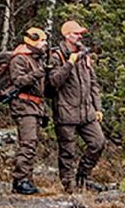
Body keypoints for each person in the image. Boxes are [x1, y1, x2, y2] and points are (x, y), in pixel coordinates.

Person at [46, 19, 106, 195]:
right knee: (67, 152)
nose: (80, 37)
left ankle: (83, 178)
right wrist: (70, 63)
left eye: (81, 34)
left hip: (86, 112)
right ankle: (68, 185)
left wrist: (98, 108)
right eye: (76, 33)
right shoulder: (57, 56)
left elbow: (93, 84)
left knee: (98, 142)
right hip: (66, 112)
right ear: (66, 35)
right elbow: (53, 82)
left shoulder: (84, 55)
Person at [7, 27, 50, 195]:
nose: (45, 44)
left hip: (34, 107)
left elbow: (39, 91)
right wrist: (39, 73)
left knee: (31, 144)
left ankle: (27, 179)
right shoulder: (19, 59)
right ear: (32, 40)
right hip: (24, 106)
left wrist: (43, 111)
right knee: (28, 143)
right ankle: (20, 180)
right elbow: (18, 82)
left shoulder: (37, 59)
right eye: (41, 41)